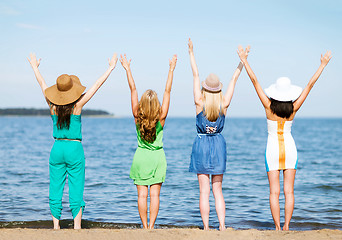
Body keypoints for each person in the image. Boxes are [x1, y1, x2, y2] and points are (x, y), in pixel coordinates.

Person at [237, 46, 332, 230]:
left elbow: (255, 81)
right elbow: (310, 86)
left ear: (275, 92)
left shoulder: (267, 106)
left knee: (274, 192)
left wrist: (245, 60)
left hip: (272, 150)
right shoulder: (294, 108)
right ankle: (287, 226)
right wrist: (323, 65)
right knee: (289, 191)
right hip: (290, 149)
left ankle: (278, 228)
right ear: (289, 93)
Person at [27, 53, 118, 229]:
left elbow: (42, 84)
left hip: (57, 148)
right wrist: (111, 68)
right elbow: (96, 86)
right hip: (74, 148)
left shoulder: (52, 105)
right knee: (76, 186)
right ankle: (77, 227)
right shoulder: (77, 106)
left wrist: (34, 67)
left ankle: (55, 226)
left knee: (55, 187)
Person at [188, 38, 246, 231]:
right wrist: (242, 61)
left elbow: (195, 74)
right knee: (218, 191)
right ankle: (222, 226)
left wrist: (191, 52)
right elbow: (234, 79)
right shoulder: (224, 104)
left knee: (204, 192)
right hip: (218, 145)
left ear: (205, 88)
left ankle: (206, 228)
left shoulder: (198, 102)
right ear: (218, 89)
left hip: (202, 145)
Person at [120, 54, 177, 229]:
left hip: (141, 157)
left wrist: (127, 69)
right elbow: (167, 91)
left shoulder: (138, 116)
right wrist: (171, 69)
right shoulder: (161, 117)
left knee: (141, 196)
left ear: (142, 104)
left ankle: (144, 226)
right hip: (157, 157)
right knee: (155, 195)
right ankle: (152, 226)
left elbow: (133, 89)